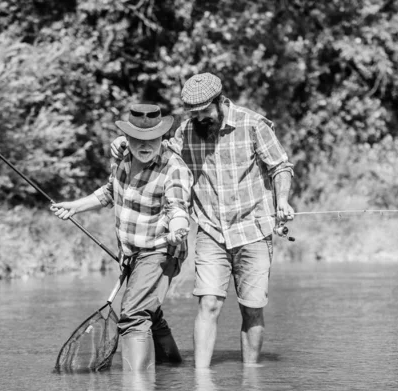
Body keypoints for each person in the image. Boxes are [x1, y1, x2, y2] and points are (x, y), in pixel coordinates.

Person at [111, 73, 295, 368]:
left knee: (252, 308)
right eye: (192, 113)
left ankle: (251, 376)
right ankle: (201, 379)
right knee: (208, 303)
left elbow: (281, 166)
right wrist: (127, 140)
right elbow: (153, 148)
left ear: (221, 102)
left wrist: (282, 200)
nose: (198, 118)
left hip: (253, 229)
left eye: (204, 111)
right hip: (210, 230)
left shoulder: (253, 125)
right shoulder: (186, 131)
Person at [51, 104, 193, 372]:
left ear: (162, 137)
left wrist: (178, 228)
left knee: (134, 315)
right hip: (130, 252)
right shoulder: (124, 159)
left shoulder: (174, 168)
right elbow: (108, 192)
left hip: (161, 251)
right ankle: (173, 372)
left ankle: (137, 383)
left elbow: (177, 208)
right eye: (138, 139)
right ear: (127, 138)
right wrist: (74, 206)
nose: (145, 145)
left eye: (151, 138)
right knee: (152, 313)